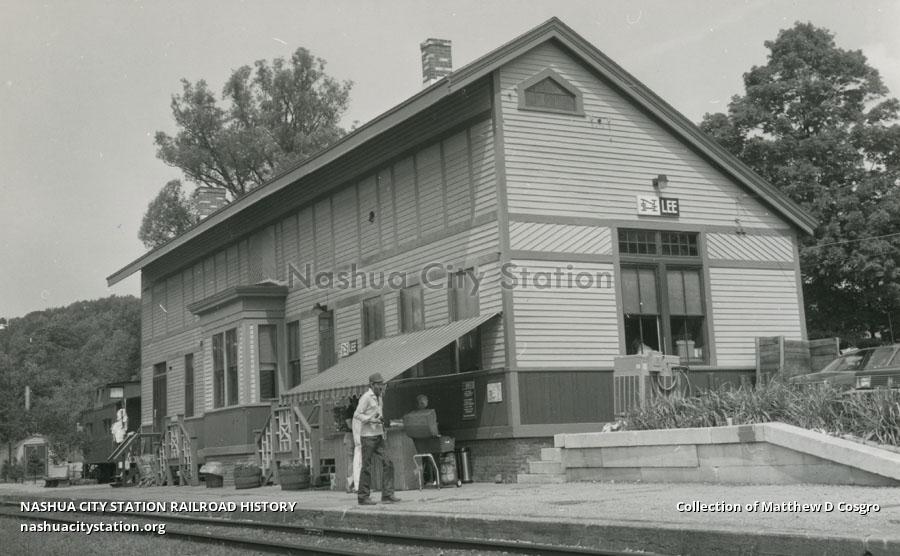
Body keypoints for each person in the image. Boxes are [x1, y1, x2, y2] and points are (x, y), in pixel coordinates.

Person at [353, 373, 399, 505]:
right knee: (366, 466)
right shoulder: (366, 397)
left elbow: (378, 413)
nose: (381, 387)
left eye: (382, 384)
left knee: (388, 463)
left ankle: (387, 495)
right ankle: (363, 497)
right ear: (372, 385)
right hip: (368, 437)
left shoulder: (380, 397)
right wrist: (370, 420)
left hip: (379, 435)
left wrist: (380, 421)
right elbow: (357, 414)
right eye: (379, 384)